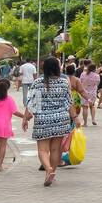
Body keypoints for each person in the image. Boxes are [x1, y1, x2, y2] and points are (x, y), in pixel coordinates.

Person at [27, 57, 74, 187]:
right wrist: (75, 118)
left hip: (43, 120)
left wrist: (26, 118)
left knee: (43, 150)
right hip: (61, 119)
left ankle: (48, 168)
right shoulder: (64, 82)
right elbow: (69, 103)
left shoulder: (37, 83)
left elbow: (32, 103)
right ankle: (52, 173)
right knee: (55, 149)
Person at [0, 79, 29, 172]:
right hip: (4, 125)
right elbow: (15, 112)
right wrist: (24, 116)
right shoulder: (9, 99)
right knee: (2, 146)